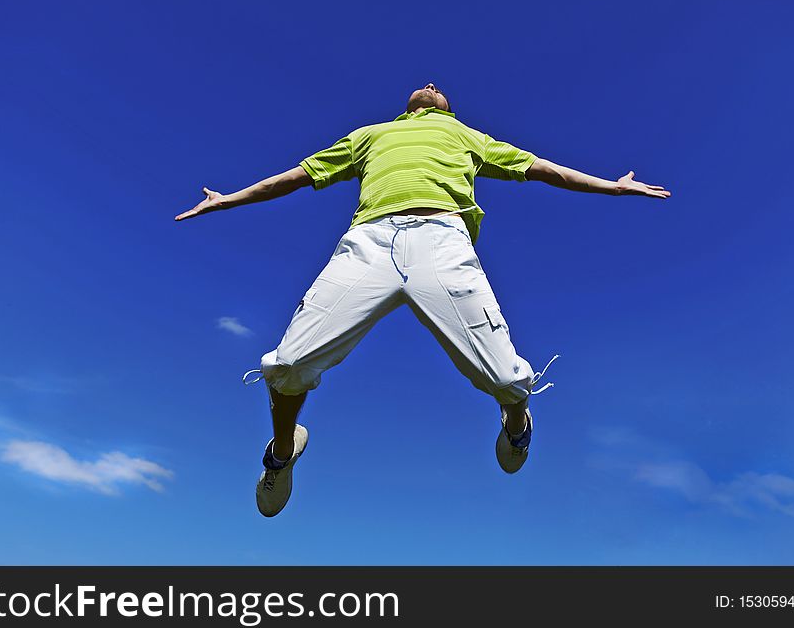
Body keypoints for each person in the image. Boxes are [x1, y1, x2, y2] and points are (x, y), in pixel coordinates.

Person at [175, 83, 671, 517]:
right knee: (287, 364)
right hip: (368, 243)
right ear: (407, 108)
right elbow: (296, 176)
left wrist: (611, 186)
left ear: (446, 109)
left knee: (502, 375)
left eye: (438, 87)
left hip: (442, 239)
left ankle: (517, 422)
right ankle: (282, 454)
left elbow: (543, 169)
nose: (430, 83)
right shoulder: (370, 135)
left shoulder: (467, 136)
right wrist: (229, 198)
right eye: (424, 85)